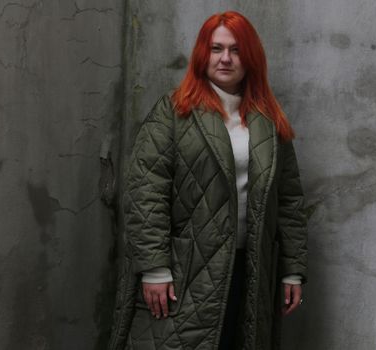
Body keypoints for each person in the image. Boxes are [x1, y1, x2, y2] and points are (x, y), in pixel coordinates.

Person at [108, 11, 308, 350]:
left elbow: (289, 200)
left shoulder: (269, 121)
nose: (225, 58)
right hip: (185, 271)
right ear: (203, 54)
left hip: (251, 270)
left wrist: (292, 269)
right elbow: (146, 192)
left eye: (235, 50)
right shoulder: (173, 112)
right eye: (216, 48)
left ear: (251, 57)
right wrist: (154, 267)